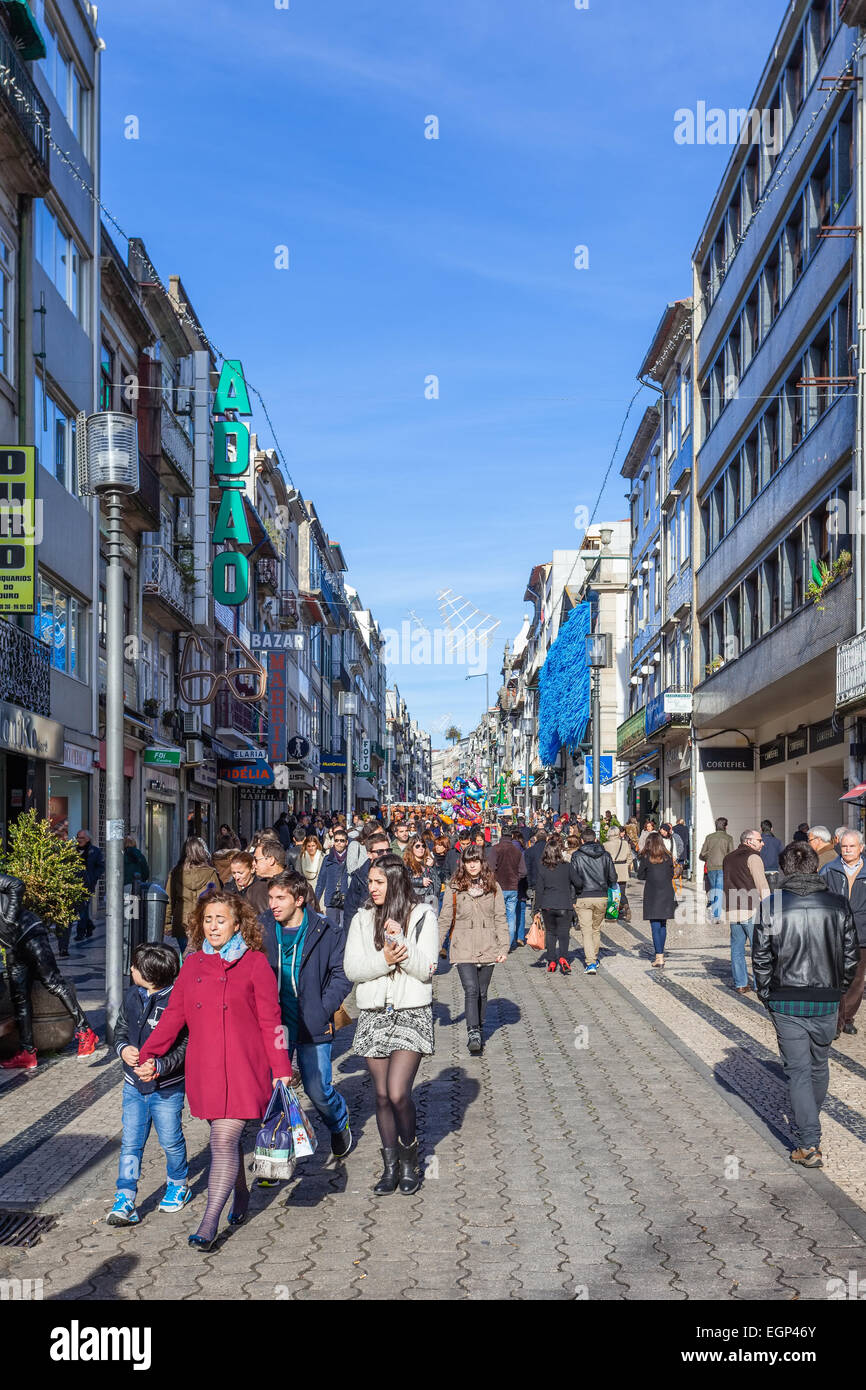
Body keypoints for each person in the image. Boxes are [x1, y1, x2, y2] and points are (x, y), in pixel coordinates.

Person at [138, 891, 291, 1250]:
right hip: (205, 1070)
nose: (213, 927)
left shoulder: (255, 964)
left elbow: (273, 1021)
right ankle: (240, 1195)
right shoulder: (191, 965)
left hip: (243, 1070)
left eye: (221, 920)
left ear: (238, 923)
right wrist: (148, 1054)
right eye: (208, 920)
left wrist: (281, 1068)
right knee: (229, 1144)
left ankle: (209, 1223)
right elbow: (173, 1018)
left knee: (222, 1141)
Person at [753, 841, 858, 1168]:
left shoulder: (772, 905)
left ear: (784, 869)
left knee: (799, 1071)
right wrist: (837, 989)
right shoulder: (839, 904)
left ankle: (809, 1142)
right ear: (815, 867)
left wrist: (766, 993)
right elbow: (850, 958)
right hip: (824, 999)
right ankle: (808, 1126)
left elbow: (760, 957)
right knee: (817, 1065)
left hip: (786, 999)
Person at [344, 854, 437, 1196]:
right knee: (381, 1095)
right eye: (370, 881)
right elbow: (352, 969)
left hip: (411, 1011)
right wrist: (384, 960)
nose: (372, 888)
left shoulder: (423, 915)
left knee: (398, 1092)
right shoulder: (362, 919)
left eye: (378, 882)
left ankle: (410, 1155)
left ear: (395, 882)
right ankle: (390, 1166)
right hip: (373, 1013)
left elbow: (427, 968)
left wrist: (401, 943)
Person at [261, 871, 352, 1158]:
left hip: (313, 1023)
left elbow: (341, 974)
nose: (273, 904)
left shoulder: (326, 931)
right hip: (276, 1026)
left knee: (318, 1090)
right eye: (271, 898)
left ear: (299, 899)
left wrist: (323, 1009)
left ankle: (339, 1121)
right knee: (274, 1089)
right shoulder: (261, 928)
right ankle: (275, 1152)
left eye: (280, 898)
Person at [107, 943, 190, 1226]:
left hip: (167, 1088)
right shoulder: (133, 995)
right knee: (131, 1142)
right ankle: (125, 1196)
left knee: (170, 1140)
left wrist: (160, 1066)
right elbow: (120, 1029)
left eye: (135, 967)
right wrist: (122, 1049)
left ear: (151, 974)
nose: (131, 969)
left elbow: (185, 1046)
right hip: (133, 1086)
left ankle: (178, 1184)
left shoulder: (177, 1002)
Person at [0, 873, 99, 1068]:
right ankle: (27, 1052)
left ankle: (86, 1031)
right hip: (14, 946)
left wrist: (9, 919)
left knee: (53, 982)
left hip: (29, 932)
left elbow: (16, 884)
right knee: (19, 996)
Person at [439, 846, 508, 1052]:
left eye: (476, 861)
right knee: (471, 989)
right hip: (463, 945)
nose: (472, 865)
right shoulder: (454, 887)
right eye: (468, 861)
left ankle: (479, 1024)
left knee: (483, 991)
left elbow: (500, 918)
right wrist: (435, 947)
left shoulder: (493, 886)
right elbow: (445, 918)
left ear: (481, 862)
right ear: (463, 863)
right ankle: (473, 1032)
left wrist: (504, 946)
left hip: (488, 944)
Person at [820, 829, 866, 1037]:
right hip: (835, 933)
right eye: (844, 846)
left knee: (856, 978)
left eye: (852, 846)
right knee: (835, 978)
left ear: (861, 848)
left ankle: (847, 1018)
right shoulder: (829, 870)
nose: (847, 850)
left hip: (862, 933)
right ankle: (836, 1020)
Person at [722, 829, 770, 994]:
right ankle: (759, 984)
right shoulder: (753, 857)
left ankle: (741, 983)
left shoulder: (728, 858)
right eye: (759, 840)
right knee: (759, 948)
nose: (762, 843)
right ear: (749, 841)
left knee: (737, 948)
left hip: (732, 907)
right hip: (750, 908)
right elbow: (761, 884)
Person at [533, 833, 584, 974]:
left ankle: (551, 961)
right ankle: (563, 957)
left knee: (550, 933)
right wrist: (575, 893)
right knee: (563, 933)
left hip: (547, 905)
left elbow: (539, 890)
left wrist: (536, 909)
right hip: (564, 904)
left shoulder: (542, 868)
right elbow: (579, 882)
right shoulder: (566, 867)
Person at [570, 828, 618, 975]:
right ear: (596, 839)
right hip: (601, 896)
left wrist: (573, 897)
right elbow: (613, 878)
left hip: (583, 896)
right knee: (596, 929)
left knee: (586, 931)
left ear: (582, 841)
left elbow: (574, 879)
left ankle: (590, 963)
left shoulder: (576, 856)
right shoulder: (606, 855)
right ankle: (594, 958)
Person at [165, 837, 217, 955]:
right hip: (205, 921)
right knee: (204, 956)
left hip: (182, 922)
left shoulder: (175, 873)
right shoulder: (211, 873)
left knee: (186, 956)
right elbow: (218, 899)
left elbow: (169, 900)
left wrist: (167, 924)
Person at [634, 832, 677, 968]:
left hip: (652, 893)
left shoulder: (646, 857)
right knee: (663, 924)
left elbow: (640, 875)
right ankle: (661, 955)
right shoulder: (668, 857)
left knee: (655, 925)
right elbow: (671, 874)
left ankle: (659, 957)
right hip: (666, 892)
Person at [488, 826, 527, 951]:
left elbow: (490, 868)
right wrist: (516, 879)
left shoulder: (496, 849)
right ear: (511, 837)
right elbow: (523, 871)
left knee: (498, 916)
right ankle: (508, 944)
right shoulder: (517, 851)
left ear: (501, 834)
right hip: (513, 887)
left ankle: (499, 942)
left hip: (498, 887)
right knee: (511, 916)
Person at [343, 830, 392, 926]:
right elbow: (350, 912)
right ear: (369, 854)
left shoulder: (398, 871)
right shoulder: (359, 876)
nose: (385, 855)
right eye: (380, 852)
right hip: (367, 928)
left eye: (388, 851)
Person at [316, 826, 353, 927]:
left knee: (345, 928)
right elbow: (321, 881)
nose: (339, 843)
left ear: (346, 842)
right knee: (332, 929)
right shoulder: (327, 859)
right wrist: (316, 900)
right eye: (336, 840)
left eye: (342, 840)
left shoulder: (351, 859)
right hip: (331, 899)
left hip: (347, 899)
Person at [73, 829, 105, 947]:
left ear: (87, 839)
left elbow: (101, 867)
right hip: (74, 884)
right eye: (78, 837)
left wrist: (93, 878)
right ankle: (89, 925)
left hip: (88, 884)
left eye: (81, 838)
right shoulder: (73, 851)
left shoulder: (95, 851)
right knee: (82, 908)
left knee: (83, 907)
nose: (78, 840)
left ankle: (80, 932)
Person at [699, 817, 734, 921]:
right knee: (718, 890)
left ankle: (715, 912)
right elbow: (731, 855)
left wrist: (709, 857)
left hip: (710, 866)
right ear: (725, 826)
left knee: (714, 889)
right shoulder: (729, 838)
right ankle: (716, 915)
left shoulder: (709, 837)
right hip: (722, 867)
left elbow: (702, 854)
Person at [605, 824, 633, 921]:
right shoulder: (624, 843)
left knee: (613, 893)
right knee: (622, 892)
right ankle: (626, 907)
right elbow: (630, 857)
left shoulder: (606, 845)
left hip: (612, 869)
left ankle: (613, 914)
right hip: (623, 869)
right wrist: (625, 865)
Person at [403, 836, 440, 909]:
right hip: (415, 905)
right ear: (411, 848)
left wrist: (432, 867)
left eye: (423, 846)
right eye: (417, 846)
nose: (421, 848)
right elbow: (403, 880)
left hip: (431, 903)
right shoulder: (407, 864)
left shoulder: (429, 862)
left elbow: (437, 884)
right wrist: (420, 881)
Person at [299, 833, 325, 904]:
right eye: (309, 846)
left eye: (313, 846)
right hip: (306, 889)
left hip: (320, 890)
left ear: (317, 845)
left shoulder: (322, 856)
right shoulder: (302, 857)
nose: (311, 848)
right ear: (305, 846)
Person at [759, 820, 783, 888]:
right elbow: (782, 856)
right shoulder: (777, 841)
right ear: (772, 829)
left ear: (761, 829)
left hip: (760, 871)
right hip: (774, 871)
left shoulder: (758, 841)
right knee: (776, 896)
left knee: (763, 895)